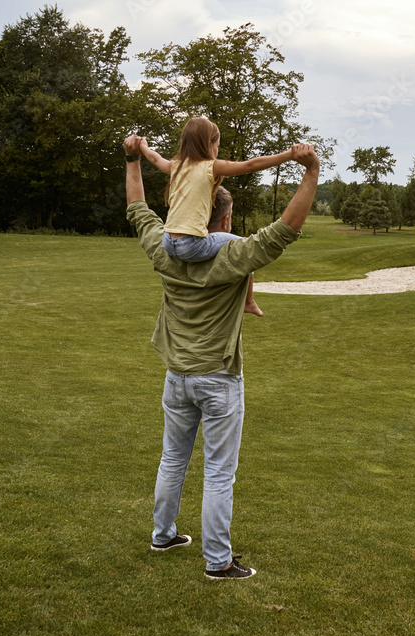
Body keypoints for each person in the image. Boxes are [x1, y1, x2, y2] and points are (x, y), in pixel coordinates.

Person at [123, 132, 320, 579]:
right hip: (219, 382)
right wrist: (310, 171)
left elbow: (138, 210)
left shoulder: (164, 251)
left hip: (177, 378)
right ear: (225, 216)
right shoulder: (233, 256)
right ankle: (218, 562)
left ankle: (163, 535)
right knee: (217, 473)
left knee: (173, 458)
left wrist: (133, 160)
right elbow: (285, 230)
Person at [139, 116, 301, 316]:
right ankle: (248, 302)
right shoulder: (210, 167)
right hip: (190, 246)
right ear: (209, 144)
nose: (217, 149)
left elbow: (155, 158)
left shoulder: (176, 165)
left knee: (219, 244)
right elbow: (250, 165)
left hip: (167, 241)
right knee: (244, 246)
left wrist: (143, 146)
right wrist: (289, 155)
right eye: (217, 144)